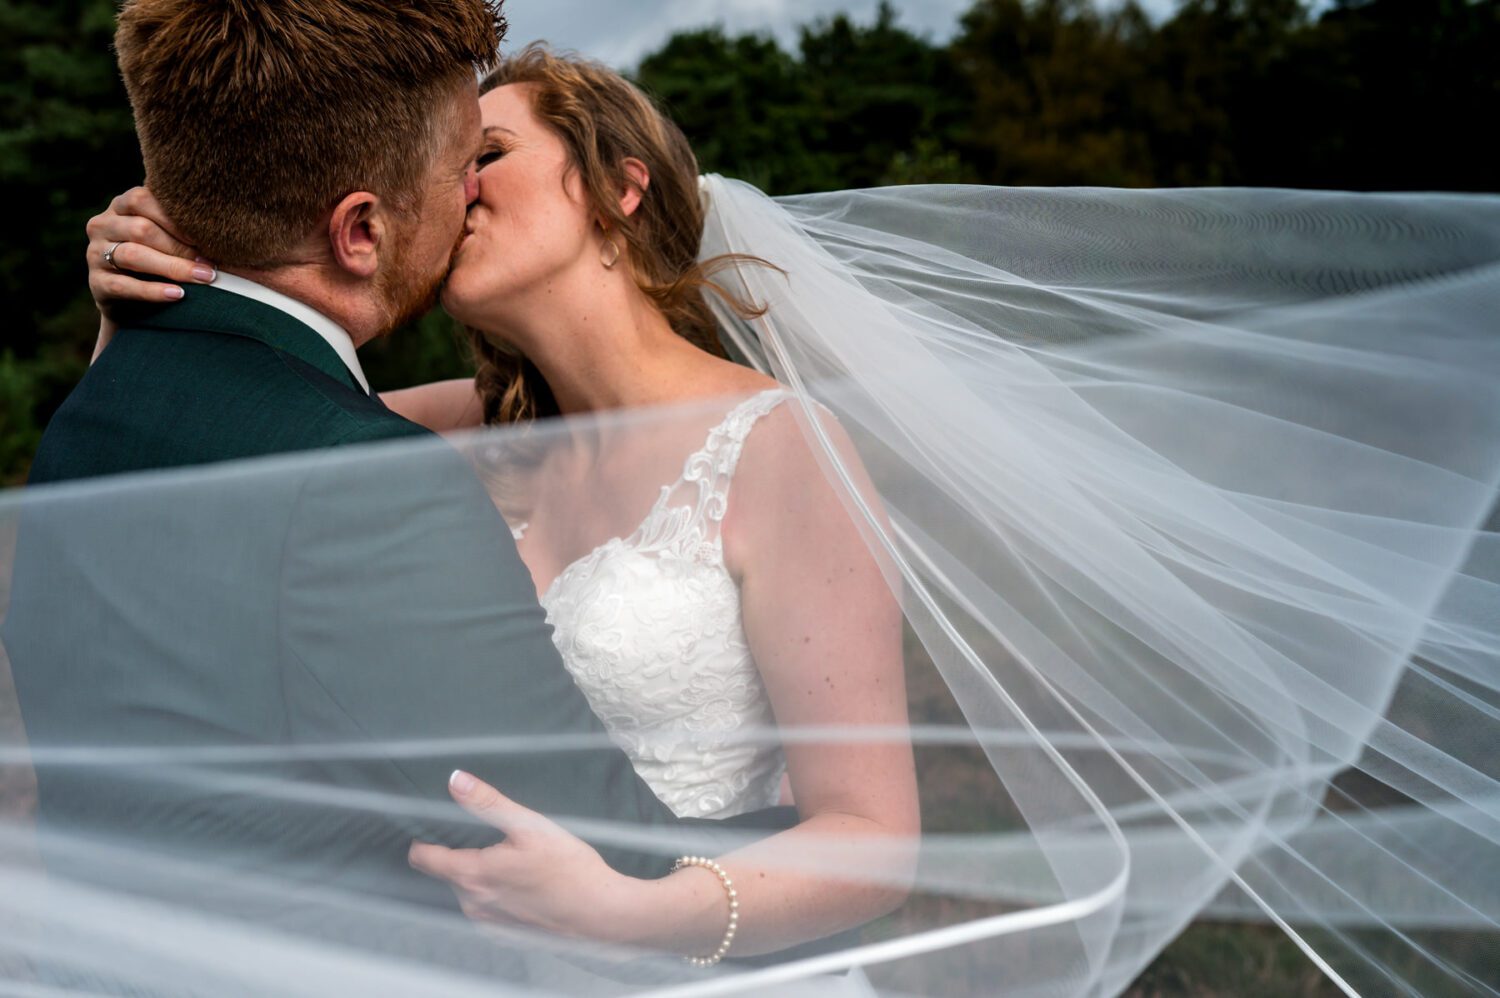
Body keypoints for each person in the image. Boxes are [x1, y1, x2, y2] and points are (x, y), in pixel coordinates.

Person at [12, 0, 914, 982]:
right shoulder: (457, 430)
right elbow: (212, 441)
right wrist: (148, 299)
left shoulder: (779, 445)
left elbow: (872, 831)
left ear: (620, 189)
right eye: (454, 161)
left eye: (486, 151)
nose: (460, 187)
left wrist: (647, 911)